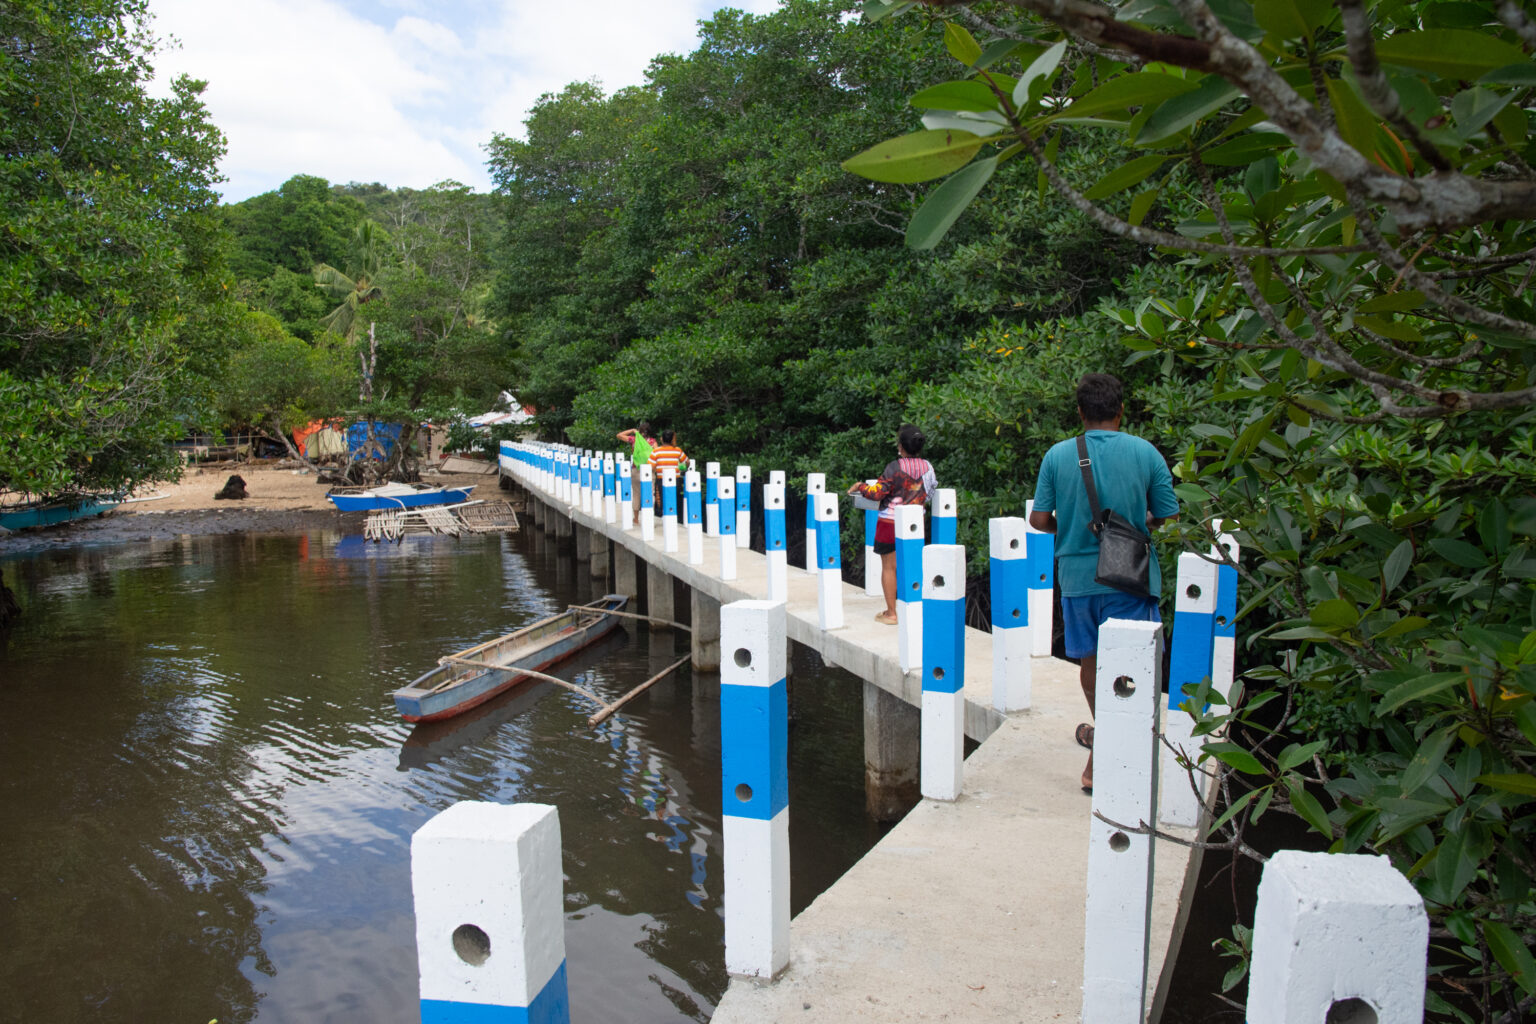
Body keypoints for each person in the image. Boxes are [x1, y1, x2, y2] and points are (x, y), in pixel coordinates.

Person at [1029, 373, 1177, 794]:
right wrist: (1136, 523)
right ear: (1121, 410)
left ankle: (1101, 744)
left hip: (1077, 578)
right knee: (1130, 666)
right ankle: (1107, 751)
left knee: (1091, 665)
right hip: (1129, 574)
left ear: (1080, 412)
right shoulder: (1145, 452)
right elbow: (1168, 515)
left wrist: (1075, 529)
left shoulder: (1059, 455)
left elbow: (1039, 520)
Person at [847, 424, 937, 625]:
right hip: (915, 524)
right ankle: (913, 609)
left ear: (901, 447)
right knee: (912, 566)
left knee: (889, 567)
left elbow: (877, 493)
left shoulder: (894, 467)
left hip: (889, 522)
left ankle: (891, 613)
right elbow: (930, 493)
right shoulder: (928, 468)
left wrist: (861, 486)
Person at [616, 420, 656, 515]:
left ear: (639, 431)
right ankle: (649, 516)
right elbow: (656, 455)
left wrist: (632, 430)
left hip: (636, 469)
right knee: (649, 493)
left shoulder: (634, 440)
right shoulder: (653, 442)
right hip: (649, 470)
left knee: (636, 494)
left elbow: (619, 435)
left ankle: (636, 519)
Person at [647, 430, 687, 514]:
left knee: (661, 501)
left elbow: (651, 467)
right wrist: (681, 468)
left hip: (661, 480)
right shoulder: (678, 450)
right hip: (676, 480)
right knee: (674, 500)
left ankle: (662, 518)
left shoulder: (656, 451)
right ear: (672, 439)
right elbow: (687, 462)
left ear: (661, 439)